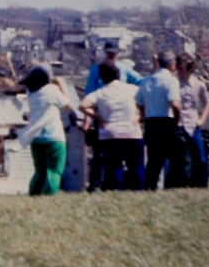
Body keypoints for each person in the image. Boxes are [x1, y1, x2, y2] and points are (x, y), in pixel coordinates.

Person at [83, 45, 142, 192]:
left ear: (118, 53)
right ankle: (96, 184)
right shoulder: (96, 69)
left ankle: (123, 186)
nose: (111, 54)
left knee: (120, 160)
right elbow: (89, 93)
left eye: (114, 52)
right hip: (104, 113)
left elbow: (140, 82)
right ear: (105, 52)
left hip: (123, 114)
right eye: (109, 52)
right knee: (100, 155)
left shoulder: (125, 68)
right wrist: (89, 119)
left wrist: (138, 115)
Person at [15, 66, 72, 196]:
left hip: (36, 138)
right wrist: (62, 86)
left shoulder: (30, 92)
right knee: (53, 172)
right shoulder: (52, 90)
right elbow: (68, 106)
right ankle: (48, 199)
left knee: (39, 172)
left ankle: (34, 196)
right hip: (54, 137)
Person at [137, 51, 183, 190]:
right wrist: (178, 119)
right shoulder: (171, 81)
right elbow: (175, 103)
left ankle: (150, 187)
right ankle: (171, 186)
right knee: (177, 158)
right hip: (166, 122)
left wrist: (145, 115)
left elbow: (138, 102)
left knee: (154, 160)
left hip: (151, 122)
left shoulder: (146, 81)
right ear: (171, 64)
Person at [175, 53, 209, 188]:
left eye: (182, 68)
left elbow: (208, 102)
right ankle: (182, 185)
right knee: (182, 160)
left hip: (194, 124)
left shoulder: (198, 84)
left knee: (200, 159)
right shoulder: (174, 83)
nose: (179, 71)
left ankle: (197, 185)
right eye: (178, 68)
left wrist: (202, 119)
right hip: (179, 124)